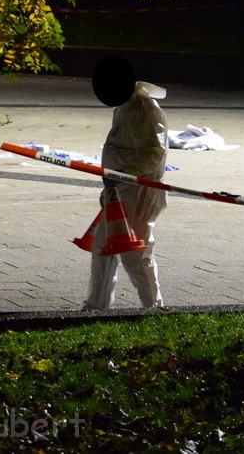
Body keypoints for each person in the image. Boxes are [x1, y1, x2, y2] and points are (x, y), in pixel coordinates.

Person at [83, 55, 168, 309]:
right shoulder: (124, 105)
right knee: (103, 247)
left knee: (135, 254)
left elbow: (154, 152)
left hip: (139, 190)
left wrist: (125, 174)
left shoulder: (144, 109)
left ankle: (153, 307)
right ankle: (96, 306)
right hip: (118, 189)